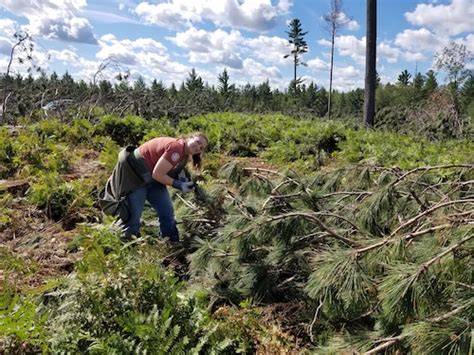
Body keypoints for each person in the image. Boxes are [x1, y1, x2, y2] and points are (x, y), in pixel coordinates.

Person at [99, 132, 208, 242]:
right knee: (132, 217)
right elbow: (158, 174)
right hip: (135, 176)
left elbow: (162, 173)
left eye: (201, 147)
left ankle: (171, 244)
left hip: (152, 179)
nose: (198, 147)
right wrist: (179, 185)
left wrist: (185, 181)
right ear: (190, 138)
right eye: (198, 142)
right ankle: (121, 245)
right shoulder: (176, 148)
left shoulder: (184, 155)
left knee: (167, 212)